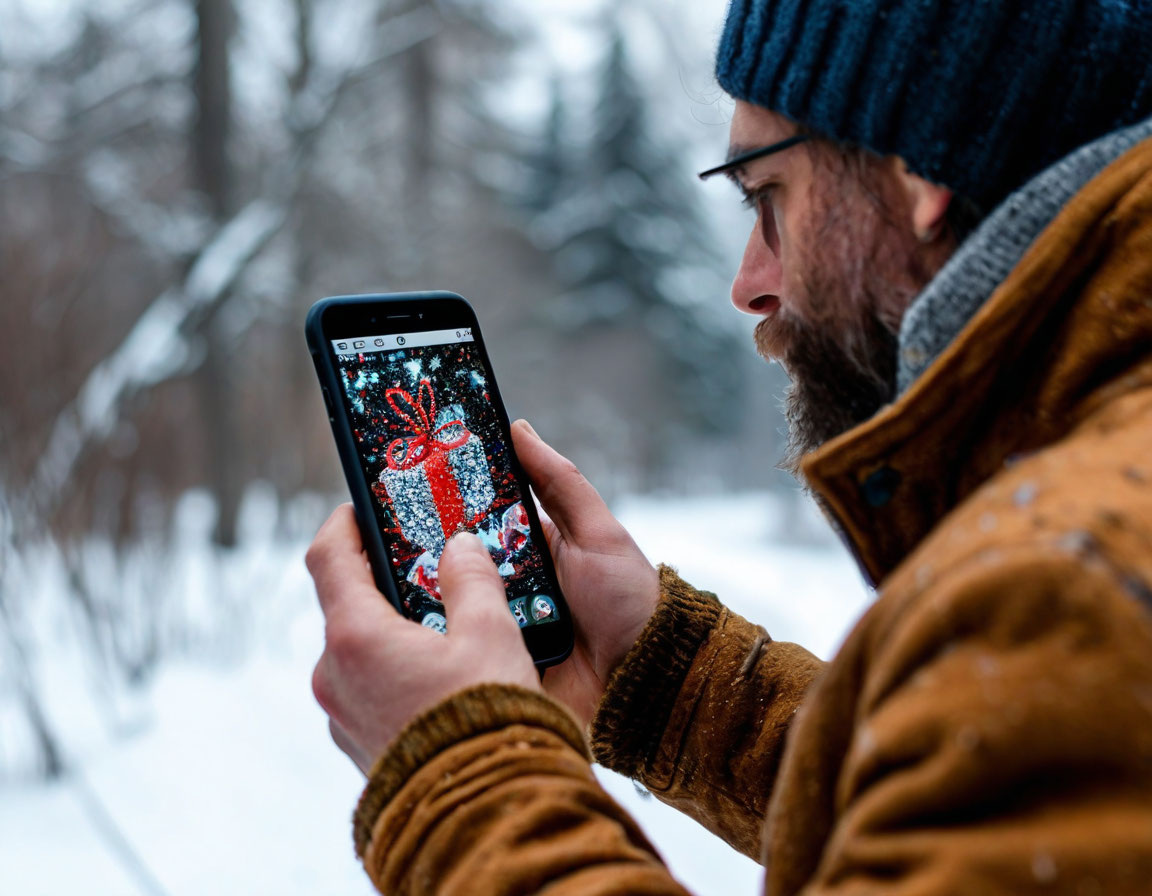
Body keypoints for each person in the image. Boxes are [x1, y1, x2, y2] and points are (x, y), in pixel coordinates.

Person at [305, 1, 1152, 893]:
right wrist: (666, 678)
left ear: (925, 172)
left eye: (769, 197)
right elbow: (976, 794)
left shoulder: (1074, 589)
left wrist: (461, 776)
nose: (749, 284)